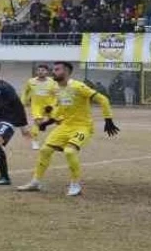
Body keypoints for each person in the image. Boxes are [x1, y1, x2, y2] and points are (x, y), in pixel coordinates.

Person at [17, 61, 119, 196]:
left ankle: (75, 185)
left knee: (70, 151)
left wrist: (108, 120)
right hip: (64, 126)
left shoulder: (78, 86)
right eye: (53, 69)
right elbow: (60, 111)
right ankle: (36, 182)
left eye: (57, 69)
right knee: (45, 150)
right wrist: (46, 123)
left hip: (82, 127)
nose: (54, 72)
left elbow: (103, 99)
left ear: (66, 72)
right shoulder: (57, 89)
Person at [22, 64, 58, 151]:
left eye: (43, 70)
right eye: (39, 70)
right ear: (36, 72)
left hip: (49, 106)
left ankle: (47, 128)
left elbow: (57, 94)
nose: (40, 72)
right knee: (37, 122)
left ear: (47, 72)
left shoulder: (53, 82)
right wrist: (22, 102)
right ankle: (35, 141)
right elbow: (25, 92)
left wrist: (52, 105)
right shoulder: (31, 81)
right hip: (36, 106)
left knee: (58, 119)